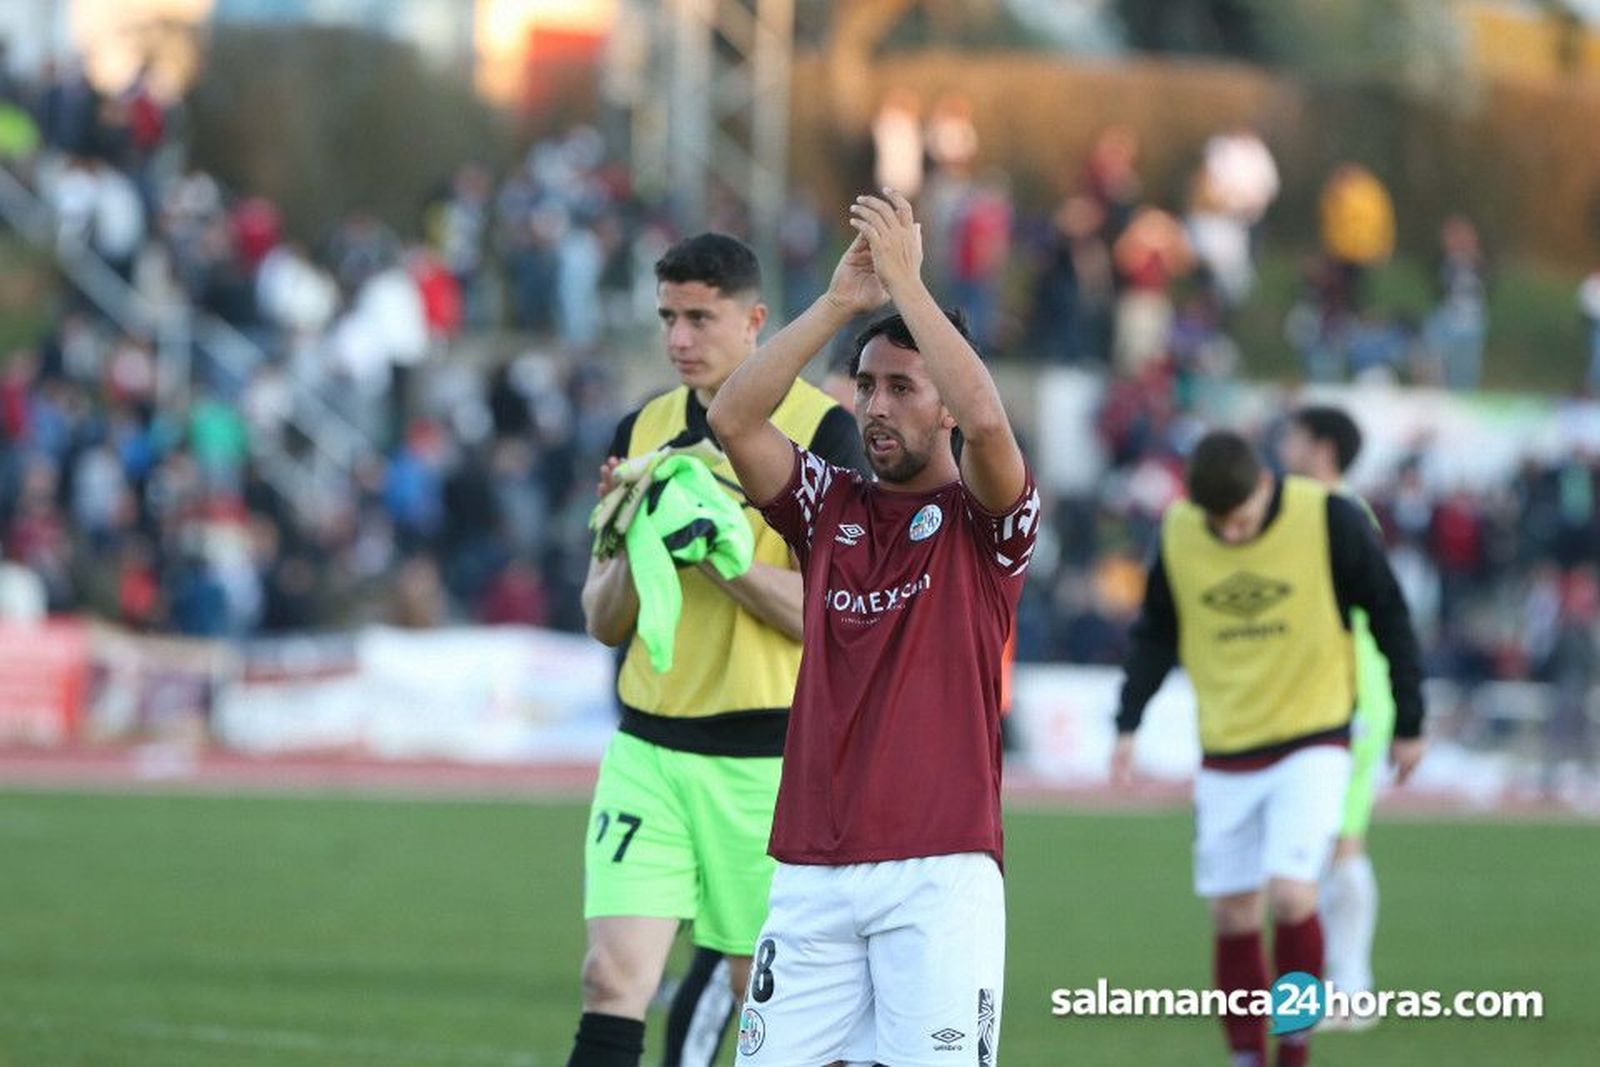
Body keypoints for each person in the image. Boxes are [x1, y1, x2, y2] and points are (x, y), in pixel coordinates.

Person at [708, 189, 1038, 1066]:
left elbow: (993, 423)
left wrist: (908, 286)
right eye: (865, 387)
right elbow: (733, 418)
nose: (876, 406)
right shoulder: (829, 506)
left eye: (902, 387)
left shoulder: (987, 523)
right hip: (810, 871)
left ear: (945, 406)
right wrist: (841, 303)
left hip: (937, 873)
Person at [569, 233, 866, 1067]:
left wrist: (721, 556)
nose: (678, 339)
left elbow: (837, 622)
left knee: (767, 1000)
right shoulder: (645, 428)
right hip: (648, 751)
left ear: (756, 322)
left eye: (700, 317)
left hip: (767, 763)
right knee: (608, 978)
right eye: (667, 317)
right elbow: (602, 616)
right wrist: (641, 545)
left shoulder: (826, 433)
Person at [1112, 429, 1425, 1067]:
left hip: (1315, 737)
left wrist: (1411, 719)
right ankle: (1246, 1056)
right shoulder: (1178, 531)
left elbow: (1390, 612)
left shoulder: (1326, 517)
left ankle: (1294, 1047)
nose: (1230, 536)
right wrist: (1128, 721)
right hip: (1227, 746)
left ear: (1264, 484)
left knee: (1291, 894)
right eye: (1216, 524)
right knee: (1233, 913)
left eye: (1242, 521)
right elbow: (1156, 634)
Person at [1277, 405, 1391, 1029]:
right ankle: (1342, 988)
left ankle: (1348, 991)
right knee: (1327, 845)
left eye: (1293, 435)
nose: (1283, 445)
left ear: (1320, 447)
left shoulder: (1336, 514)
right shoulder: (1326, 511)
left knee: (1334, 845)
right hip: (1336, 695)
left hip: (1351, 697)